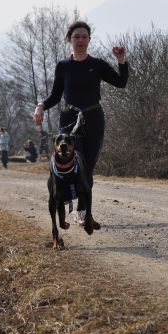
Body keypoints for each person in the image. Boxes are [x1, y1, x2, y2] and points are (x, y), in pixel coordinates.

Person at [33, 20, 128, 225]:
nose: (81, 40)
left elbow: (121, 83)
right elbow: (55, 96)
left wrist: (121, 61)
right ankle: (66, 197)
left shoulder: (98, 65)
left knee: (88, 166)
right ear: (69, 40)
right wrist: (41, 105)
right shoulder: (63, 66)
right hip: (69, 119)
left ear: (89, 40)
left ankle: (83, 212)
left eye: (84, 36)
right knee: (69, 161)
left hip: (93, 119)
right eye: (76, 36)